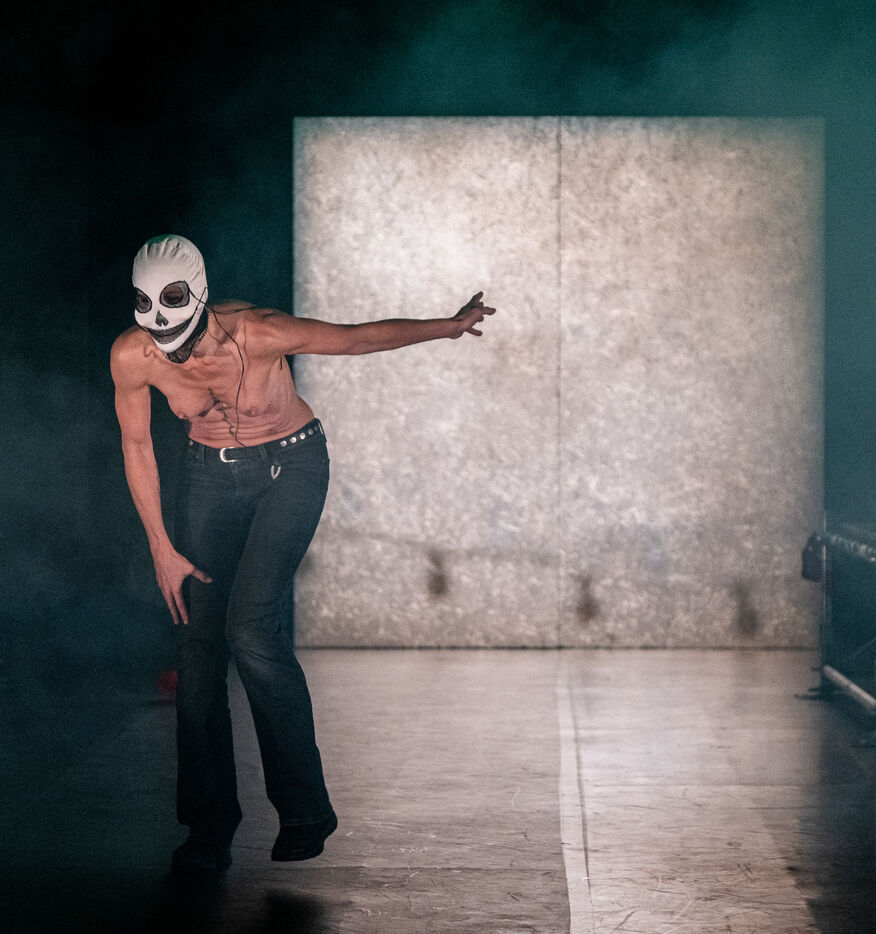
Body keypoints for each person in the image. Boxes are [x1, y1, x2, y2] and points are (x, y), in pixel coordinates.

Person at [110, 234, 495, 873]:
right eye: (145, 304)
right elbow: (137, 445)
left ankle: (305, 811)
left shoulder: (258, 333)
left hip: (291, 466)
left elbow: (356, 338)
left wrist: (448, 326)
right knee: (198, 646)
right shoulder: (134, 355)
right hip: (208, 477)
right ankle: (208, 828)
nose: (159, 322)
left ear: (198, 294)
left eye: (172, 300)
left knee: (250, 628)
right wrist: (161, 547)